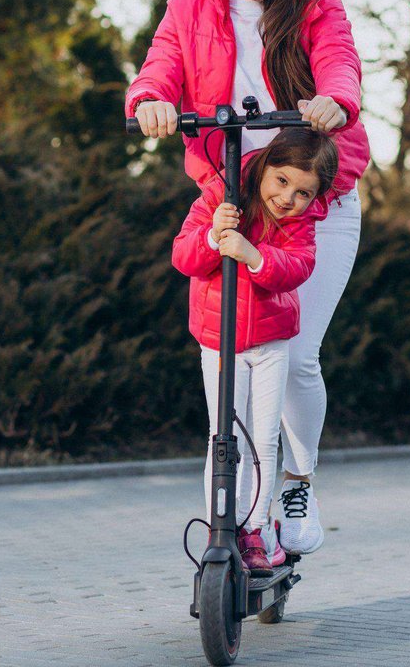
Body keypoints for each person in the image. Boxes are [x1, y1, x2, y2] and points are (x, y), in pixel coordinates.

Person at [127, 0, 369, 555]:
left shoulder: (314, 2)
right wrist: (150, 99)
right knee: (232, 369)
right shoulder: (188, 7)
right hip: (236, 206)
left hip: (315, 206)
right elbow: (160, 69)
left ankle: (297, 481)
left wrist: (335, 101)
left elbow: (340, 62)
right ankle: (237, 519)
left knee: (295, 361)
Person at [172, 129, 338, 574]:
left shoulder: (299, 223)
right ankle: (221, 526)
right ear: (265, 165)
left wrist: (252, 254)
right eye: (282, 181)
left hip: (270, 343)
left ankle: (257, 529)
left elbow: (297, 267)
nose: (289, 198)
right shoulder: (219, 197)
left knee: (263, 438)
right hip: (219, 342)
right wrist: (213, 236)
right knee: (223, 437)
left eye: (304, 192)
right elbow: (183, 257)